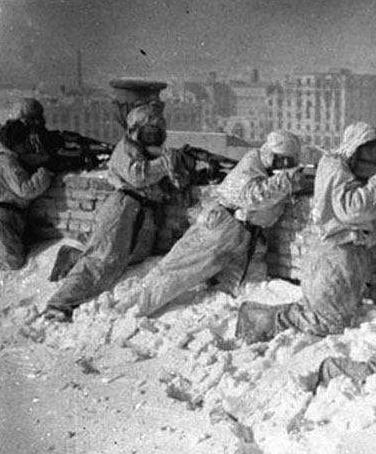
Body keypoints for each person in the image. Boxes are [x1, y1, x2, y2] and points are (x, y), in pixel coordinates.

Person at [234, 121, 376, 343]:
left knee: (322, 319)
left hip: (341, 259)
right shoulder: (335, 168)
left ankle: (261, 319)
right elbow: (352, 209)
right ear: (356, 147)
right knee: (324, 323)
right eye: (370, 148)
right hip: (333, 259)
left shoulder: (344, 170)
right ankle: (255, 317)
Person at [119, 130, 306, 317]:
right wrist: (286, 181)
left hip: (248, 237)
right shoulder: (252, 162)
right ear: (271, 155)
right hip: (222, 226)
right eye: (283, 161)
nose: (284, 166)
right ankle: (136, 306)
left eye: (289, 163)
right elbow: (251, 197)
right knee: (178, 269)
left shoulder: (268, 170)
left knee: (240, 288)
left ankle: (214, 319)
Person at [42, 105, 194, 322]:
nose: (152, 137)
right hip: (124, 208)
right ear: (135, 131)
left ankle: (74, 259)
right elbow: (138, 176)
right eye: (147, 132)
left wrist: (180, 168)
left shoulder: (150, 153)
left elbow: (171, 183)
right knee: (101, 262)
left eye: (156, 133)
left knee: (127, 262)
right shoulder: (126, 149)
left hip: (144, 214)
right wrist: (165, 162)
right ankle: (59, 303)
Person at [0, 120, 53, 283]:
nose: (27, 146)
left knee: (3, 259)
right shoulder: (6, 161)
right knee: (9, 261)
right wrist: (44, 173)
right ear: (17, 144)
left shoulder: (6, 158)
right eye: (24, 142)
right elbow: (26, 190)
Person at [14, 98, 68, 173]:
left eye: (38, 118)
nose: (37, 122)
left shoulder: (37, 130)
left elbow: (46, 139)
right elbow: (26, 158)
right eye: (32, 119)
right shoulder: (18, 134)